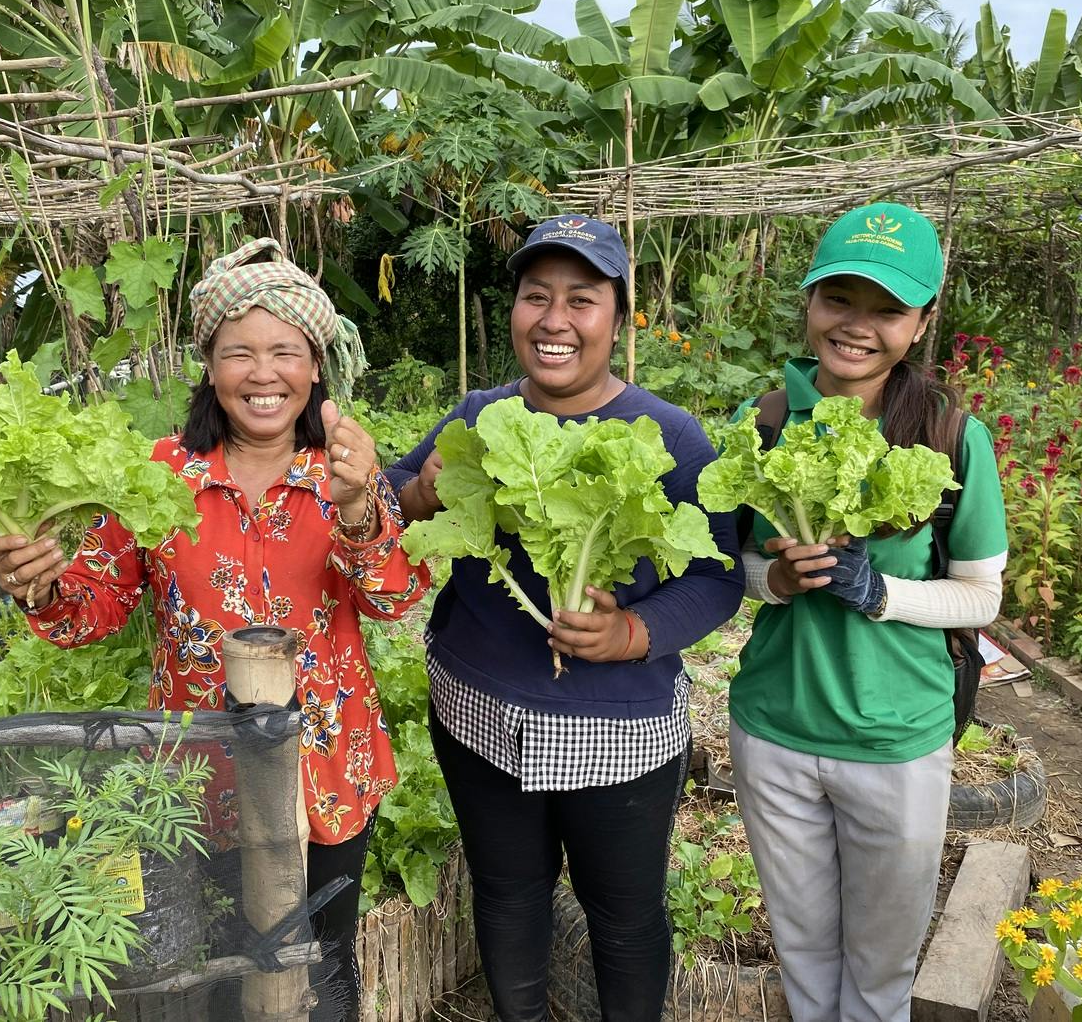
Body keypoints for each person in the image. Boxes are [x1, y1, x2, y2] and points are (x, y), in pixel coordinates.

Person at [0, 238, 431, 1022]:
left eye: (285, 352)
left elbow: (395, 599)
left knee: (321, 965)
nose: (263, 374)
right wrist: (42, 583)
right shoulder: (161, 474)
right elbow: (93, 608)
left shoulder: (348, 473)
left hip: (325, 763)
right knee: (217, 965)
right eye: (239, 353)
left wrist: (361, 509)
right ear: (211, 367)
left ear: (316, 367)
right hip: (199, 778)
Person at [387, 215, 743, 1022]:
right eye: (534, 296)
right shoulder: (481, 412)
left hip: (618, 732)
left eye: (581, 299)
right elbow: (398, 489)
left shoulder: (673, 436)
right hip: (478, 711)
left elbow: (717, 576)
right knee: (508, 892)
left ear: (618, 316)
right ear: (512, 309)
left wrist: (634, 633)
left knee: (624, 917)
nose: (554, 319)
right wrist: (415, 493)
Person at [730, 202, 1008, 1022]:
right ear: (810, 303)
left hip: (896, 742)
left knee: (882, 972)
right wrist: (777, 583)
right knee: (806, 957)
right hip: (774, 729)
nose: (858, 327)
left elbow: (981, 594)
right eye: (839, 300)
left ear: (919, 323)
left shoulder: (953, 436)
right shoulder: (767, 420)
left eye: (887, 310)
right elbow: (736, 569)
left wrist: (880, 592)